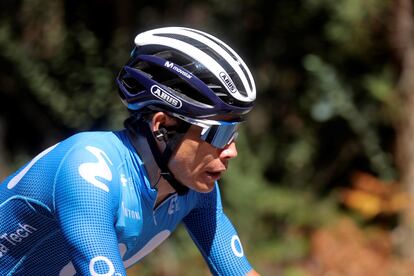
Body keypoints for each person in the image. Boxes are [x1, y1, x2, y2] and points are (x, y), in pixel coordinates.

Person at [0, 26, 259, 275]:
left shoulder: (194, 188)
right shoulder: (88, 171)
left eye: (234, 132)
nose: (231, 151)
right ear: (162, 126)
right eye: (220, 133)